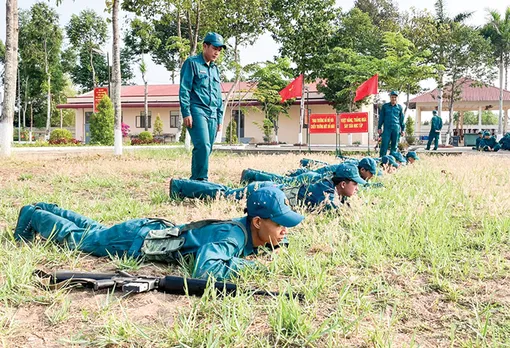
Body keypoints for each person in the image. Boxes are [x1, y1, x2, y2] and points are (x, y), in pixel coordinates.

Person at [14, 187, 304, 281]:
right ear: (256, 221)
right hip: (136, 241)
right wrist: (251, 268)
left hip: (148, 231)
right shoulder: (232, 237)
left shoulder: (249, 231)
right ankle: (35, 216)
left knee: (95, 231)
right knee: (82, 240)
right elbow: (205, 268)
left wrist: (276, 242)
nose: (284, 230)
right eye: (279, 224)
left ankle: (47, 208)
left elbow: (271, 239)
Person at [170, 162, 367, 211]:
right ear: (342, 184)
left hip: (271, 189)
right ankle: (180, 186)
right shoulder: (325, 193)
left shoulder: (332, 189)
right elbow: (340, 213)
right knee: (225, 194)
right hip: (264, 191)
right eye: (355, 184)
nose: (357, 188)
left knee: (226, 191)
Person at [179, 32, 226, 181]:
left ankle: (195, 180)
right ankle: (201, 181)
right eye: (214, 48)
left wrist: (219, 117)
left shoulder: (215, 69)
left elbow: (218, 95)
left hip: (212, 112)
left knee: (208, 148)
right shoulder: (192, 63)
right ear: (205, 46)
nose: (217, 52)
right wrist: (186, 112)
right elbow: (184, 89)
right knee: (203, 145)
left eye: (219, 49)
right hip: (197, 109)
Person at [240, 157, 379, 185]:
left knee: (283, 180)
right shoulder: (351, 171)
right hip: (312, 177)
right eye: (370, 174)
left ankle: (252, 173)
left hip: (312, 176)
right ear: (363, 169)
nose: (371, 177)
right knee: (283, 181)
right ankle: (251, 174)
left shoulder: (354, 169)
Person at [378, 91, 405, 157]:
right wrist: (379, 127)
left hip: (396, 128)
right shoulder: (385, 106)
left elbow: (402, 119)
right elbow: (381, 117)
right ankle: (382, 159)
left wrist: (403, 129)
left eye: (395, 97)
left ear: (397, 98)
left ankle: (392, 160)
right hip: (387, 128)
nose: (393, 99)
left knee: (394, 145)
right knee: (384, 144)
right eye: (392, 97)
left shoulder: (399, 107)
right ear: (390, 98)